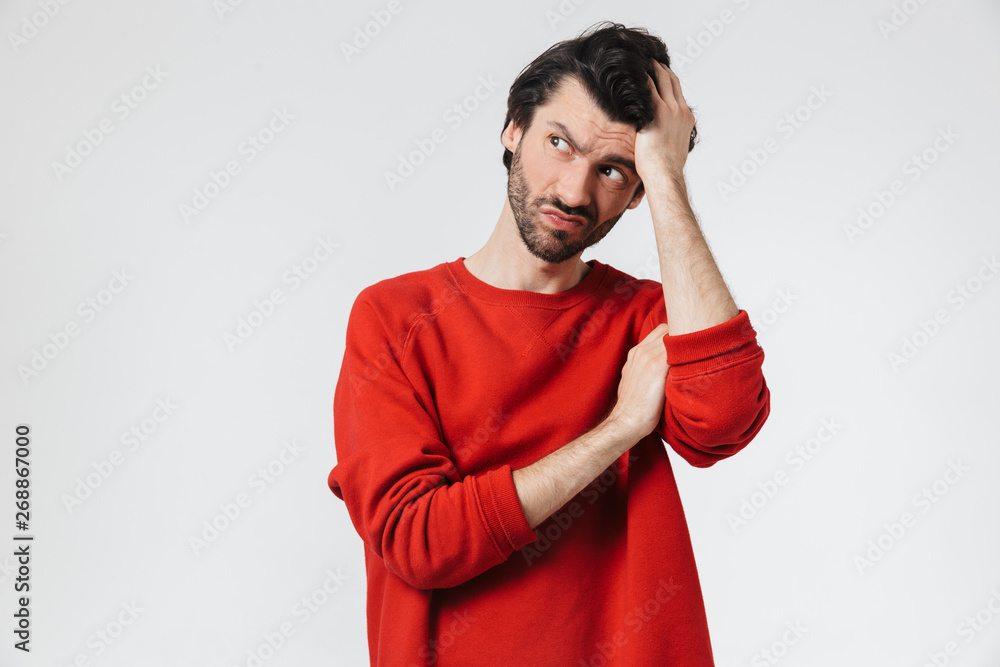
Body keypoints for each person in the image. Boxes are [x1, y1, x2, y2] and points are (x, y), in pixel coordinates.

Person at [328, 21, 771, 666]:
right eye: (559, 144)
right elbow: (419, 541)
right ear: (513, 130)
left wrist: (666, 178)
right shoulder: (396, 317)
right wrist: (620, 428)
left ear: (637, 191)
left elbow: (725, 418)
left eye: (613, 170)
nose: (573, 192)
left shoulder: (648, 317)